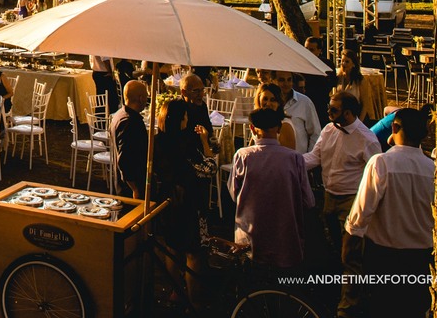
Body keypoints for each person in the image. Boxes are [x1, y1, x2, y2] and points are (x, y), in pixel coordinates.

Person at [343, 107, 435, 317]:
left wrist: (348, 244)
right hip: (421, 257)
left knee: (382, 308)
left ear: (394, 128)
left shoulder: (381, 163)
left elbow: (360, 213)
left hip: (385, 256)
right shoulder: (433, 169)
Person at [304, 92, 382, 283]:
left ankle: (353, 293)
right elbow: (314, 158)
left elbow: (377, 176)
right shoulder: (329, 129)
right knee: (335, 244)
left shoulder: (367, 139)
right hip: (329, 196)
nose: (328, 112)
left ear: (347, 113)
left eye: (333, 109)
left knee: (351, 250)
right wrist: (287, 161)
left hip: (351, 200)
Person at [229, 107, 315, 270]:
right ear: (279, 128)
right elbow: (308, 201)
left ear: (252, 129)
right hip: (286, 241)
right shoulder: (294, 158)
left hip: (249, 240)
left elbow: (234, 193)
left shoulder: (243, 156)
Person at [154, 97, 217, 305]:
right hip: (189, 203)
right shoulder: (186, 142)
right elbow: (209, 168)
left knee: (172, 249)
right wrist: (205, 140)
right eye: (186, 117)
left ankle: (176, 292)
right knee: (194, 254)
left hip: (168, 202)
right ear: (181, 119)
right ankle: (193, 301)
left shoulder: (157, 140)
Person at [110, 80, 150, 199]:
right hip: (130, 188)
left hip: (122, 183)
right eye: (146, 96)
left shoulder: (119, 115)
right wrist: (135, 188)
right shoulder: (130, 123)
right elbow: (124, 160)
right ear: (141, 98)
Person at [275, 70, 321, 153]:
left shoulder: (305, 102)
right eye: (281, 80)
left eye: (289, 80)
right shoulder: (269, 103)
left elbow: (315, 133)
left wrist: (308, 159)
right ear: (273, 80)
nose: (286, 84)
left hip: (299, 160)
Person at [255, 82, 298, 150]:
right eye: (265, 99)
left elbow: (288, 156)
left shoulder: (285, 125)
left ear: (279, 103)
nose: (268, 103)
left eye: (273, 100)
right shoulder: (257, 121)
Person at [302, 37, 334, 125]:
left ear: (319, 51)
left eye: (311, 50)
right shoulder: (300, 64)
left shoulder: (327, 65)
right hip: (303, 105)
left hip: (320, 106)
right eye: (306, 49)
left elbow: (330, 84)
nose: (308, 52)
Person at [179, 73, 215, 138]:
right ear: (184, 92)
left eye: (202, 90)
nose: (201, 94)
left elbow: (209, 130)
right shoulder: (177, 108)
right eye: (196, 91)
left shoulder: (202, 106)